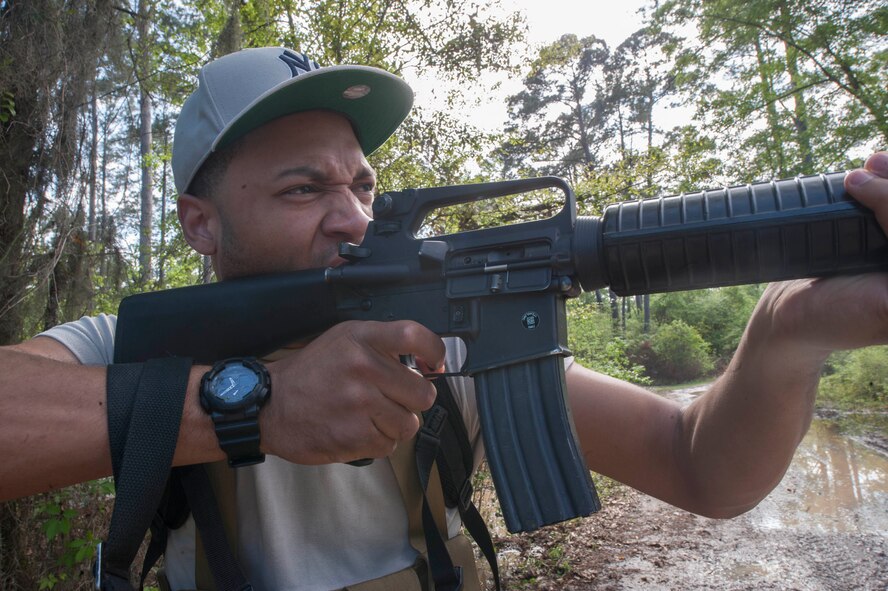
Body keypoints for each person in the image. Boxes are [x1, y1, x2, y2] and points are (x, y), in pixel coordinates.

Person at [1, 46, 887, 589]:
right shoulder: (125, 347)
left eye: (361, 182)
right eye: (303, 188)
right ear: (201, 223)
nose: (349, 214)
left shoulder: (443, 338)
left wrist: (786, 329)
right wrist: (256, 405)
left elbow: (702, 469)